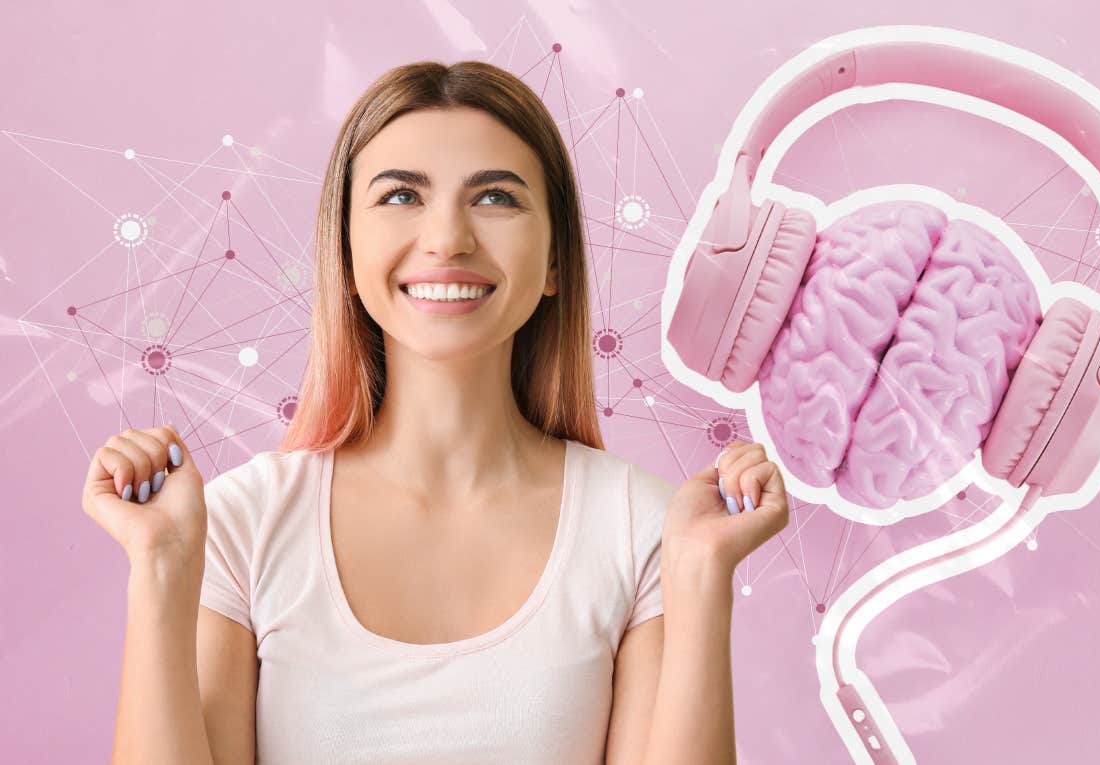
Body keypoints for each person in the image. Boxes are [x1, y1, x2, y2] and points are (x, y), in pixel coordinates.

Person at [80, 59, 790, 764]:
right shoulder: (244, 520)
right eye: (399, 197)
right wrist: (161, 568)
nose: (448, 238)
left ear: (554, 263)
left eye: (497, 198)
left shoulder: (639, 526)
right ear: (346, 252)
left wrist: (699, 579)